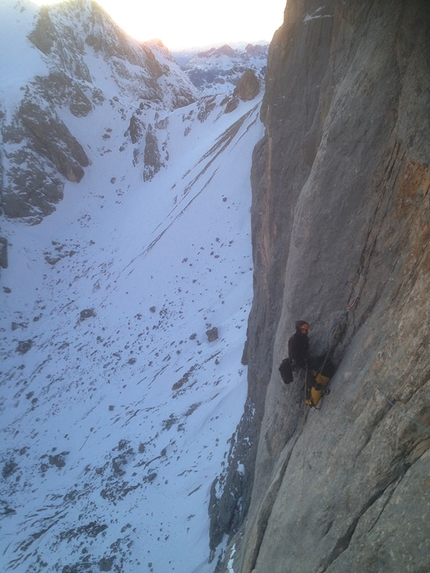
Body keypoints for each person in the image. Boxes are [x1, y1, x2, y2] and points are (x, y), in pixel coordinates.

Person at [288, 320, 315, 402]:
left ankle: (311, 390)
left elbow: (305, 350)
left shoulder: (305, 338)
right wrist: (302, 362)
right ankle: (317, 387)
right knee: (307, 374)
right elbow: (293, 355)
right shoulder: (293, 340)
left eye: (306, 329)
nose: (305, 331)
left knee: (316, 364)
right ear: (299, 329)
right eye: (303, 329)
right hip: (296, 364)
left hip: (303, 359)